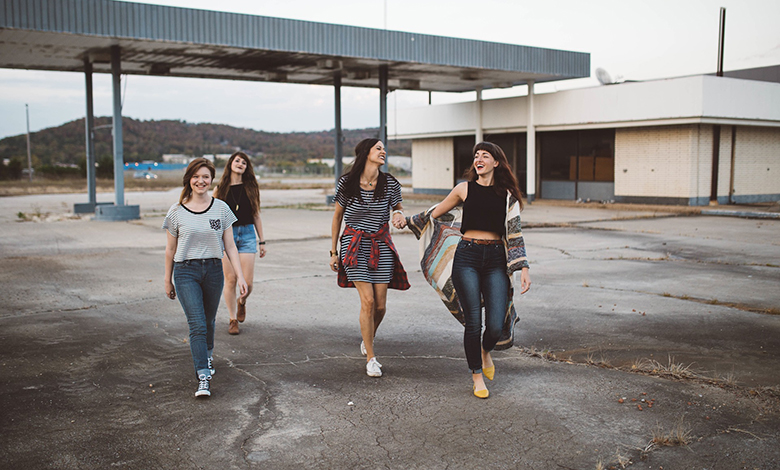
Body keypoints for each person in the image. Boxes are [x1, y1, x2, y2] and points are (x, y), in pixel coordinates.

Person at [427, 141, 531, 399]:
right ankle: (476, 376)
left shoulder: (507, 195)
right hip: (467, 257)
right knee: (473, 322)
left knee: (495, 326)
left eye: (485, 155)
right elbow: (435, 213)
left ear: (496, 162)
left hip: (496, 260)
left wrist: (523, 268)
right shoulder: (464, 189)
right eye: (476, 155)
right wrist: (410, 220)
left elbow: (515, 233)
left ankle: (485, 351)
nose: (479, 159)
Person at [163, 157, 248, 398]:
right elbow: (170, 249)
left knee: (209, 321)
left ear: (211, 180)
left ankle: (207, 355)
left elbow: (230, 246)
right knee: (197, 324)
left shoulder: (221, 208)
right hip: (185, 271)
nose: (200, 181)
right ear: (189, 179)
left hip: (213, 270)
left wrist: (240, 276)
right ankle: (203, 376)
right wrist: (167, 279)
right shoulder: (176, 211)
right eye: (196, 176)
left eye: (205, 177)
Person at [330, 138, 410, 378]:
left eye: (384, 148)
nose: (383, 151)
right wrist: (333, 251)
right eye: (378, 148)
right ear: (366, 153)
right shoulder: (347, 183)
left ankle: (368, 337)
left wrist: (398, 215)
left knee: (381, 306)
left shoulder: (390, 183)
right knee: (368, 301)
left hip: (381, 245)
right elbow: (337, 217)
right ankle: (371, 358)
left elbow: (398, 207)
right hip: (353, 245)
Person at [213, 151, 267, 335]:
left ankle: (241, 302)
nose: (240, 164)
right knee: (230, 280)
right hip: (226, 236)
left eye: (244, 162)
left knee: (248, 283)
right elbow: (214, 215)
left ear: (247, 167)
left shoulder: (252, 188)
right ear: (230, 163)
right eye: (237, 160)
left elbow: (256, 215)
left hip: (247, 235)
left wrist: (262, 241)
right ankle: (232, 319)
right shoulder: (220, 189)